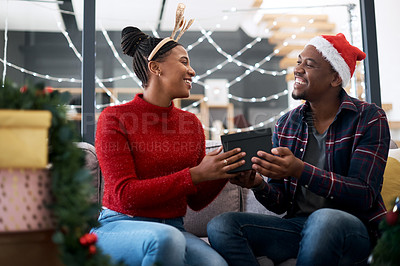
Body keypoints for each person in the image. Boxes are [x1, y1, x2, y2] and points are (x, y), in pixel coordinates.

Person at [207, 33, 391, 265]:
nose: (298, 69)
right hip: (299, 226)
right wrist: (258, 184)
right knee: (222, 225)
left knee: (325, 220)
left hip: (354, 227)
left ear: (335, 78)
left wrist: (300, 170)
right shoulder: (287, 123)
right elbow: (281, 202)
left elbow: (364, 194)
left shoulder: (368, 118)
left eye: (309, 64)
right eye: (299, 62)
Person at [91, 11, 248, 266]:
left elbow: (195, 201)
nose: (192, 71)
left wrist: (222, 171)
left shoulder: (191, 124)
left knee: (215, 264)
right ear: (155, 68)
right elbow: (125, 195)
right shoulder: (115, 118)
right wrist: (195, 174)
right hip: (120, 225)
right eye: (184, 62)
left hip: (173, 228)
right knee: (165, 240)